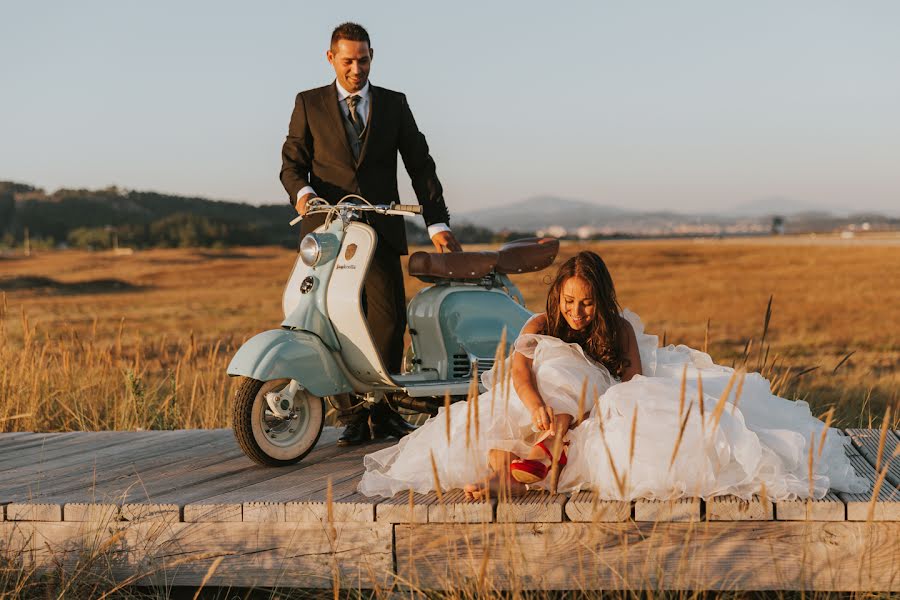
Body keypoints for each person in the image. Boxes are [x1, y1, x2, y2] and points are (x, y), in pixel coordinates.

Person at [358, 251, 869, 502]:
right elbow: (518, 368)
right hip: (536, 405)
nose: (579, 313)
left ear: (601, 300)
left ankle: (516, 467)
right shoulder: (540, 324)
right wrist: (536, 404)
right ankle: (535, 455)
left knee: (574, 381)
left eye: (588, 304)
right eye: (570, 302)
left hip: (595, 402)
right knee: (552, 366)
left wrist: (588, 417)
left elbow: (635, 388)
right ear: (558, 298)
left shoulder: (618, 329)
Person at [280, 22, 463, 446]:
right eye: (348, 61)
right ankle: (352, 417)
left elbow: (421, 164)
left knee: (388, 319)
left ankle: (382, 412)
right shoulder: (308, 104)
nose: (356, 68)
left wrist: (437, 224)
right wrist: (304, 194)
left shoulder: (395, 105)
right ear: (331, 58)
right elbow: (291, 164)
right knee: (329, 319)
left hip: (380, 230)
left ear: (372, 56)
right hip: (327, 233)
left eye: (363, 60)